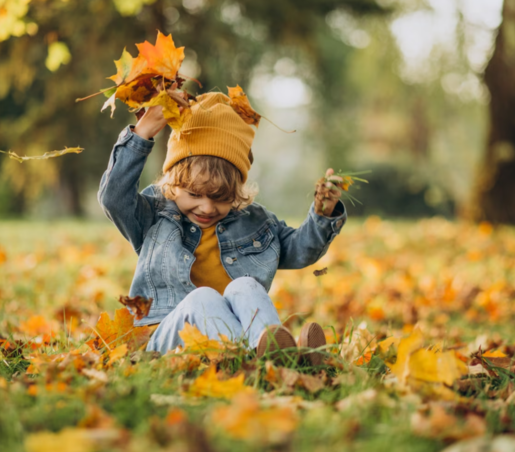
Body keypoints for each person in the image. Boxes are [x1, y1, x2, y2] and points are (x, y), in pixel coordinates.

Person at [98, 85, 346, 365]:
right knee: (203, 297)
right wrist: (142, 134)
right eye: (194, 194)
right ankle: (274, 360)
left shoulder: (255, 223)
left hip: (225, 342)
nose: (206, 207)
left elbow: (301, 250)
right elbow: (113, 198)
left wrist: (323, 214)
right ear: (172, 183)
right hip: (165, 341)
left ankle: (276, 357)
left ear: (237, 192)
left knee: (246, 286)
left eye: (221, 198)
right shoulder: (153, 214)